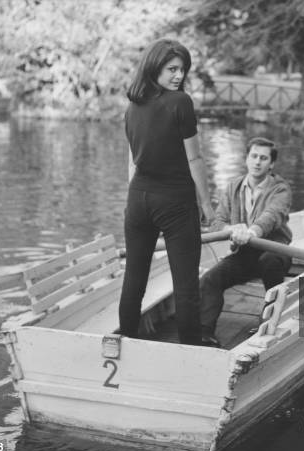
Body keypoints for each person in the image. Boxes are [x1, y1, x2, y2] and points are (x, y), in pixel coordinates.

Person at [118, 38, 215, 345]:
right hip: (174, 201)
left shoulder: (132, 107)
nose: (178, 76)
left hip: (138, 200)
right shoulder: (181, 102)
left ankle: (126, 345)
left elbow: (132, 163)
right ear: (154, 66)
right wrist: (207, 205)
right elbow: (194, 158)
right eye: (172, 68)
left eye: (182, 70)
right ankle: (190, 353)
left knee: (133, 280)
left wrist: (133, 199)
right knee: (186, 286)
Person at [199, 137, 292, 347]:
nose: (257, 162)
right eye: (254, 156)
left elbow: (272, 215)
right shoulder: (234, 186)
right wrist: (231, 229)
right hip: (245, 253)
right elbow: (217, 221)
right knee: (210, 280)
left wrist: (251, 231)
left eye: (263, 158)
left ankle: (269, 323)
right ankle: (204, 334)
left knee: (269, 262)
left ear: (272, 164)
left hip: (275, 251)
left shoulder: (280, 189)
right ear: (247, 159)